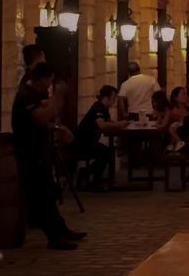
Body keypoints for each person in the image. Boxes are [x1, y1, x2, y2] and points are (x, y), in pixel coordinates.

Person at [12, 62, 86, 249]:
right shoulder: (25, 95)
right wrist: (59, 98)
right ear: (42, 79)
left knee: (48, 192)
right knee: (40, 195)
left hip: (39, 151)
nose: (49, 86)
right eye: (49, 81)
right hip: (29, 153)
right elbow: (41, 117)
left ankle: (60, 230)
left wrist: (58, 129)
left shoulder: (34, 94)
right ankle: (54, 236)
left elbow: (43, 123)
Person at [74, 85, 124, 190]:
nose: (114, 101)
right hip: (83, 143)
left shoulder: (103, 108)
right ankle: (93, 180)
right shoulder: (98, 107)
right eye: (113, 98)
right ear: (107, 97)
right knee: (106, 152)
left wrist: (121, 124)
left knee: (108, 151)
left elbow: (109, 123)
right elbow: (101, 125)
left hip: (89, 141)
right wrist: (120, 125)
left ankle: (89, 174)